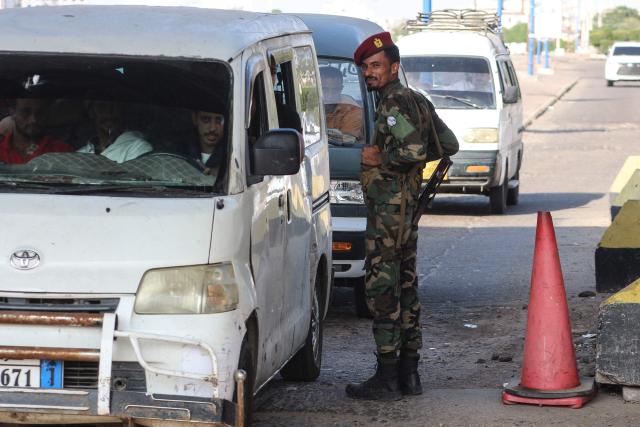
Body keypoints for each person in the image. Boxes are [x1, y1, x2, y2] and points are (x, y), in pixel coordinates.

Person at [345, 32, 458, 401]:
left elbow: (410, 149)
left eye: (375, 66)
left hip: (389, 213)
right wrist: (413, 162)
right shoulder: (417, 100)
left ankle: (387, 375)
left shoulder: (393, 102)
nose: (369, 73)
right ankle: (410, 374)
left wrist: (383, 161)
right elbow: (449, 144)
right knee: (406, 288)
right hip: (407, 212)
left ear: (394, 67)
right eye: (365, 67)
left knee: (381, 288)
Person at [0, 98, 73, 164]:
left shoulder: (62, 151)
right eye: (26, 112)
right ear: (12, 112)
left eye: (40, 112)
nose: (33, 119)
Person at [77, 100, 152, 163]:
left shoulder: (138, 148)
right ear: (91, 112)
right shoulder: (80, 155)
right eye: (102, 106)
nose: (109, 112)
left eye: (114, 106)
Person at [319, 66, 363, 140]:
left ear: (341, 89)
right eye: (324, 90)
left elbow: (346, 142)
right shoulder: (304, 106)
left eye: (335, 90)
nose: (329, 96)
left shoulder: (352, 110)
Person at [189, 109, 226, 180]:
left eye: (219, 120)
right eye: (206, 119)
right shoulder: (179, 152)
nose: (212, 128)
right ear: (195, 119)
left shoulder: (234, 158)